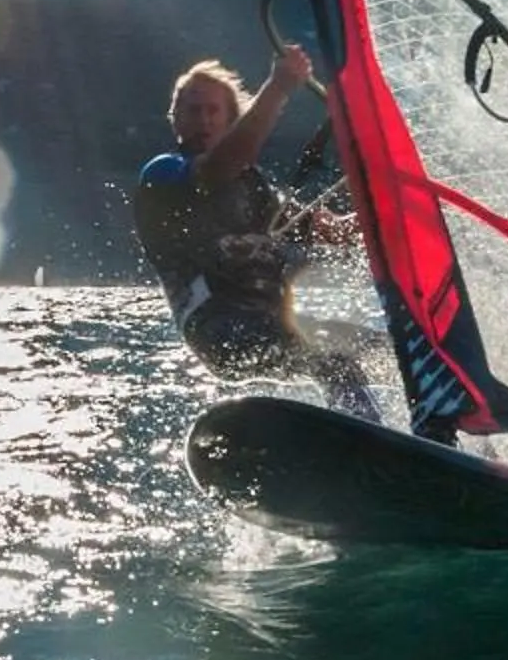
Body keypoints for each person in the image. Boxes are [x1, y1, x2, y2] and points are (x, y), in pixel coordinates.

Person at [132, 46, 377, 419]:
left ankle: (439, 442)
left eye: (214, 111)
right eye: (193, 111)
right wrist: (278, 87)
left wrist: (385, 205)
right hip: (218, 330)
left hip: (274, 324)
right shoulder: (164, 174)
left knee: (395, 349)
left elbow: (337, 232)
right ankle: (366, 446)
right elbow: (220, 166)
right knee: (332, 359)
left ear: (231, 118)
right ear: (175, 120)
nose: (204, 121)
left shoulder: (257, 190)